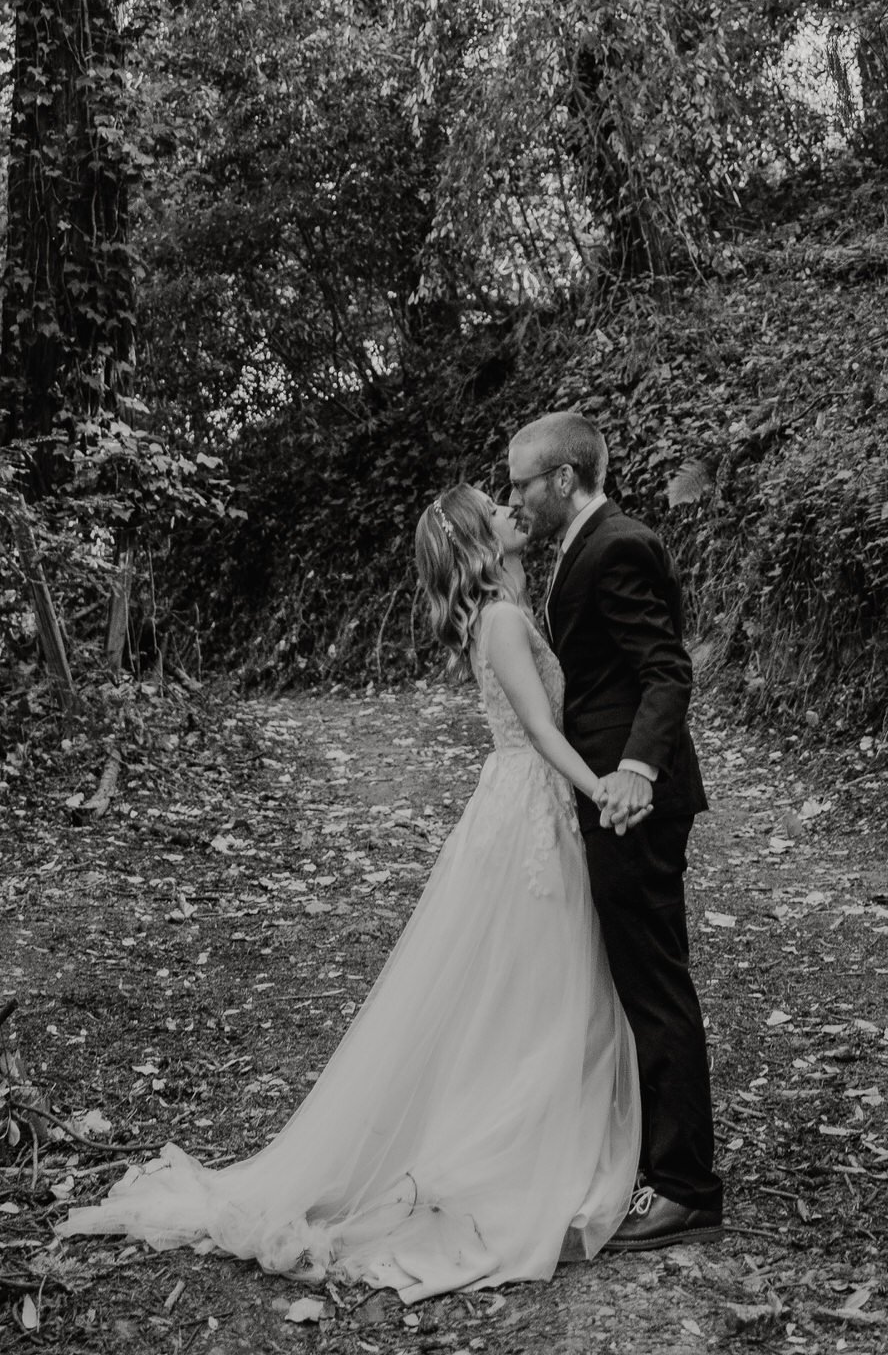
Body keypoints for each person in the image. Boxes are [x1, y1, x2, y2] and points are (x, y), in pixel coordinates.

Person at [56, 482, 640, 1302]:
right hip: (528, 813)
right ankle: (504, 1148)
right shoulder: (504, 621)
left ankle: (524, 1131)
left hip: (525, 807)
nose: (513, 510)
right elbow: (543, 733)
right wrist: (604, 787)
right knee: (532, 986)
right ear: (479, 537)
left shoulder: (505, 611)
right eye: (494, 506)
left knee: (527, 984)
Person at [507, 409, 723, 1250]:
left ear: (563, 479)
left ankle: (686, 1189)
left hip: (633, 802)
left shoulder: (620, 543)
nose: (513, 497)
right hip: (606, 797)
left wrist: (634, 769)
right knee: (639, 981)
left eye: (522, 481)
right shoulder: (577, 548)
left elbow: (666, 669)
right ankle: (657, 1163)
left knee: (654, 984)